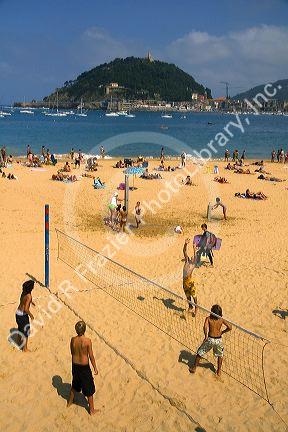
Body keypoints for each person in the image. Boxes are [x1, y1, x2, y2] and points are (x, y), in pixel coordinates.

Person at [189, 304, 232, 376]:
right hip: (218, 340)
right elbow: (230, 327)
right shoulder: (221, 319)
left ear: (212, 312)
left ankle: (194, 368)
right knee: (220, 355)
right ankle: (218, 371)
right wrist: (223, 332)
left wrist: (205, 336)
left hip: (210, 339)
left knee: (200, 352)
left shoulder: (208, 318)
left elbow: (205, 327)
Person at [67, 321, 98, 415]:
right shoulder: (87, 341)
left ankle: (69, 402)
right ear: (85, 330)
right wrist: (95, 367)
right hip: (84, 367)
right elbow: (91, 356)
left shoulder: (73, 340)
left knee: (75, 383)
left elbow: (72, 352)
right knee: (89, 389)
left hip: (75, 365)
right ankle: (92, 410)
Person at [15, 280, 35, 352]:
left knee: (20, 327)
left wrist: (31, 302)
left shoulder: (24, 292)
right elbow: (26, 309)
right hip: (23, 315)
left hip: (17, 313)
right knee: (26, 331)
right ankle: (25, 349)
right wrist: (31, 315)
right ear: (31, 288)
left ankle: (18, 341)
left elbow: (23, 300)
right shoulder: (29, 296)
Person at [183, 238, 197, 315]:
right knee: (187, 295)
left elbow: (195, 256)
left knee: (194, 296)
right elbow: (184, 251)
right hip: (184, 282)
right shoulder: (187, 261)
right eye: (191, 257)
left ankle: (196, 308)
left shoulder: (193, 264)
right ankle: (190, 306)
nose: (192, 257)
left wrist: (194, 249)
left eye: (193, 257)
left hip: (190, 282)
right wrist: (185, 244)